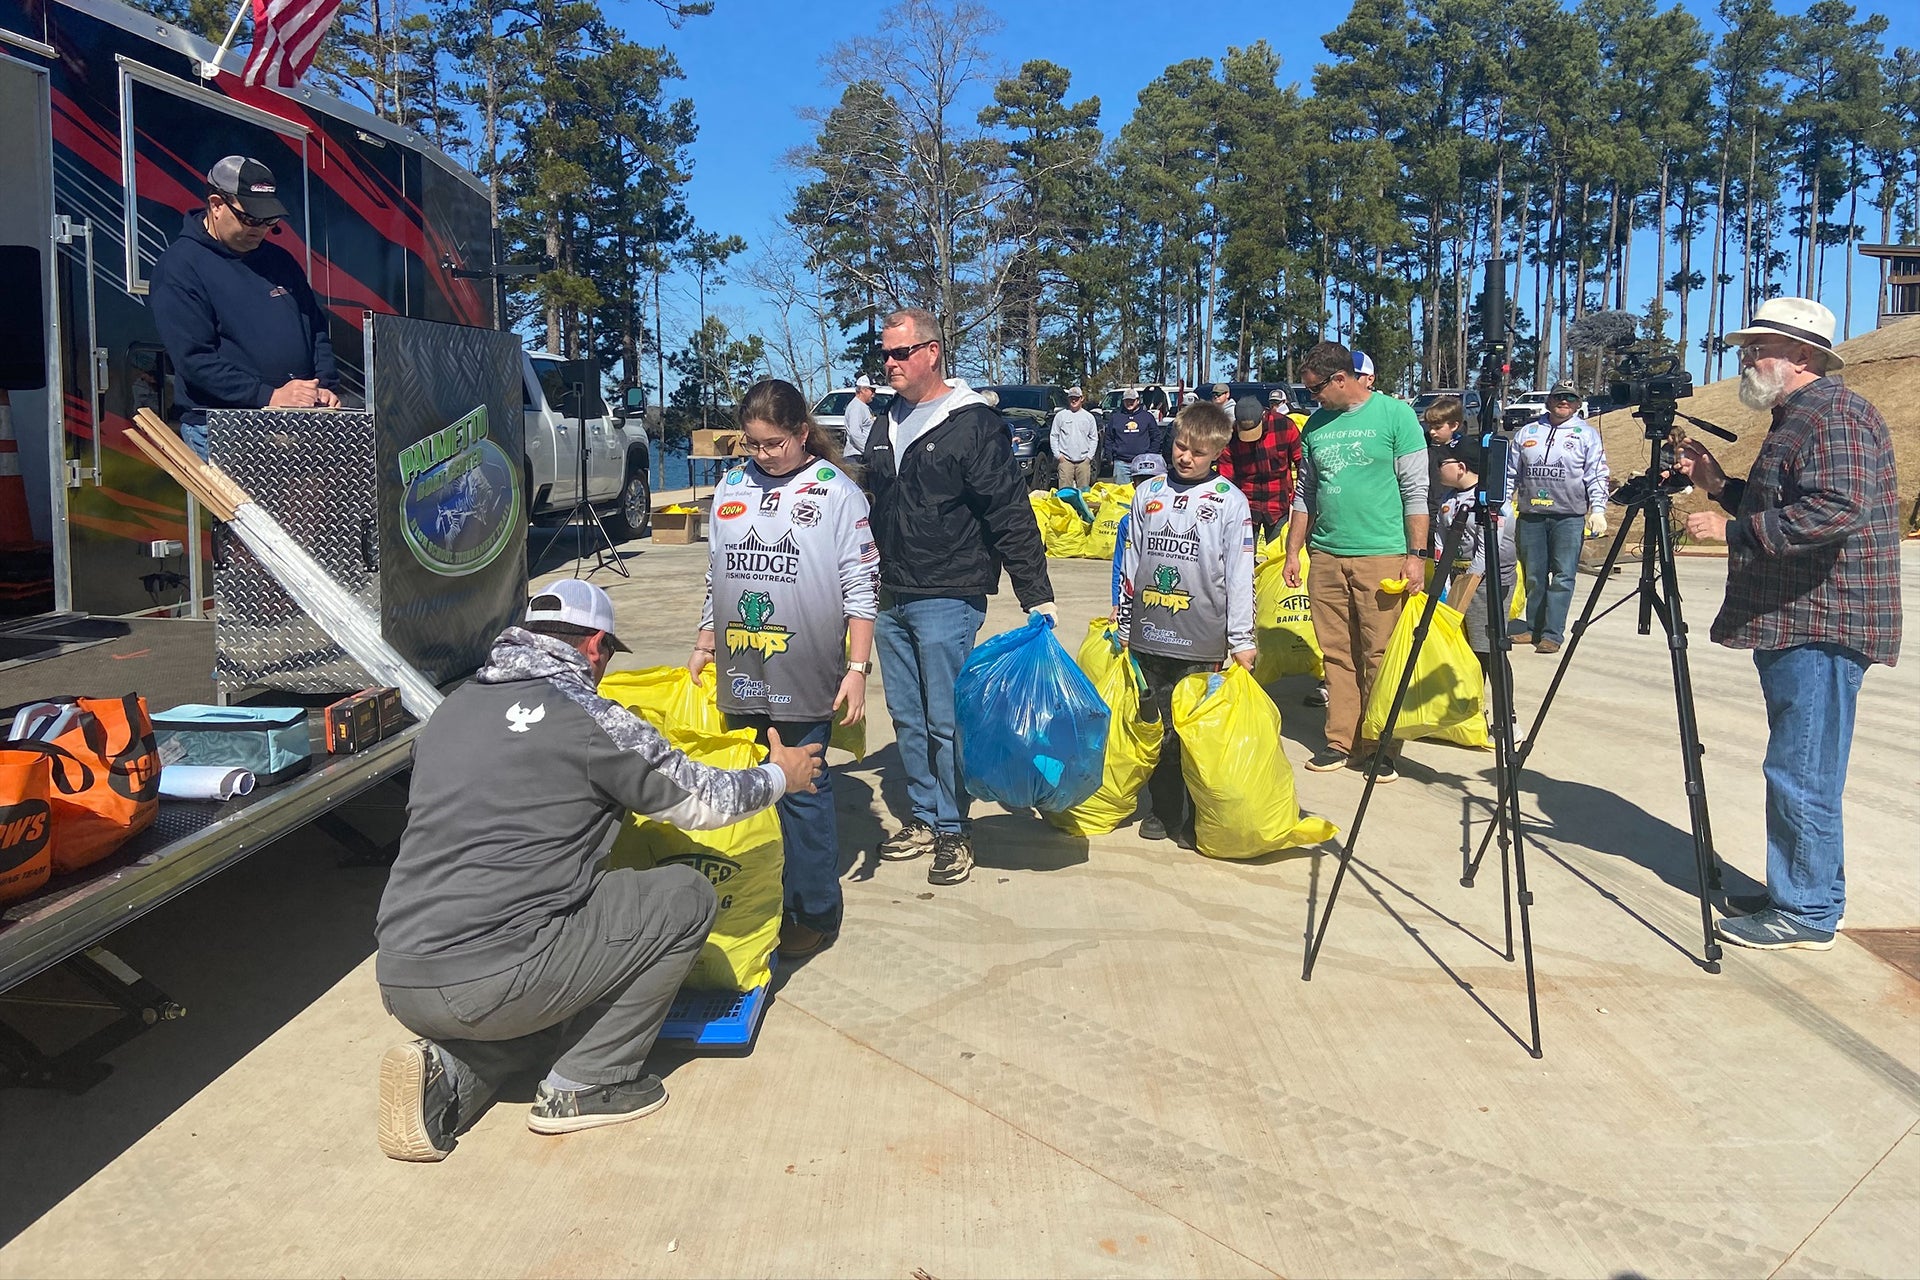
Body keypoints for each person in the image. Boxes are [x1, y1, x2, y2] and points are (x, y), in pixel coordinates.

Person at [374, 579, 826, 1160]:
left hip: (402, 973)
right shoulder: (589, 716)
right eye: (609, 654)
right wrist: (780, 776)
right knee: (683, 897)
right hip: (497, 973)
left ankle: (447, 1075)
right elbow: (702, 800)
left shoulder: (450, 711)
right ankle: (589, 1082)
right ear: (594, 646)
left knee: (542, 1003)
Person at [1677, 297, 1901, 953]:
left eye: (1760, 348)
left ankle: (1805, 912)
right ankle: (1802, 893)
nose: (1747, 358)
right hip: (1800, 618)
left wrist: (1733, 529)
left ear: (1803, 357)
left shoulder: (1837, 414)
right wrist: (1720, 487)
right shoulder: (1801, 416)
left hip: (1823, 623)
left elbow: (1839, 509)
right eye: (1748, 347)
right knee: (1802, 767)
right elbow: (1797, 503)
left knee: (1802, 771)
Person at [862, 307, 1056, 885]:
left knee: (947, 719)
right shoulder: (884, 421)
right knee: (906, 715)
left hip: (949, 591)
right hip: (890, 591)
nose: (890, 364)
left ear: (932, 351)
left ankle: (954, 828)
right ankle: (923, 816)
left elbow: (1008, 510)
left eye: (901, 353)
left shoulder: (971, 422)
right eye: (885, 353)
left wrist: (1035, 593)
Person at [688, 379, 875, 961]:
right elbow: (718, 572)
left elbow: (862, 585)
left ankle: (815, 911)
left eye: (773, 443)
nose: (761, 454)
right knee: (747, 785)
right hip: (741, 668)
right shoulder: (731, 487)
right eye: (752, 444)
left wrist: (858, 668)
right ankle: (758, 896)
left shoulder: (836, 492)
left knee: (804, 790)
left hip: (807, 669)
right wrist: (704, 640)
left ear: (801, 434)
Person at [1283, 340, 1429, 780]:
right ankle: (1340, 739)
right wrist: (1294, 550)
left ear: (1340, 379)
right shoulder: (1315, 427)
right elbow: (1305, 494)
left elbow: (1416, 490)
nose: (1312, 398)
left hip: (1382, 556)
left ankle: (1380, 744)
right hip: (1326, 556)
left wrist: (1416, 555)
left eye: (1316, 389)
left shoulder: (1395, 416)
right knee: (1336, 654)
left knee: (1379, 654)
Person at [1115, 401, 1256, 847]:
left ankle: (1196, 817)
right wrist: (1124, 622)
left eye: (1197, 452)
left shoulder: (1230, 502)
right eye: (1180, 446)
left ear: (1216, 452)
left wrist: (1242, 640)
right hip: (1150, 634)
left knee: (1195, 735)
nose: (1185, 457)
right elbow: (1131, 562)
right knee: (1155, 725)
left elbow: (1239, 574)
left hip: (1203, 641)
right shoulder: (1147, 493)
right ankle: (1162, 808)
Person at [148, 156, 340, 458]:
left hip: (294, 420)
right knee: (250, 510)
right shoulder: (181, 266)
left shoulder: (280, 261)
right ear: (216, 204)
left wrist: (323, 385)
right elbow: (195, 359)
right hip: (224, 428)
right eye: (250, 218)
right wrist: (270, 396)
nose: (260, 230)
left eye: (269, 221)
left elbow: (315, 329)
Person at [1506, 381, 1609, 653]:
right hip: (1531, 515)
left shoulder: (1586, 435)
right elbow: (1510, 472)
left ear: (1577, 404)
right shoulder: (1528, 432)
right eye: (1559, 397)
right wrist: (1504, 504)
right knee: (1534, 576)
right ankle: (1533, 628)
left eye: (1570, 398)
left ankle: (1552, 634)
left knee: (1563, 576)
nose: (1564, 402)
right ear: (1548, 401)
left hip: (1569, 517)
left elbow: (1596, 473)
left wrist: (1598, 509)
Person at [1424, 398, 1516, 678]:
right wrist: (1444, 577)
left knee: (1487, 647)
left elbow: (1489, 547)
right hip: (1458, 576)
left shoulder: (1489, 502)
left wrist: (1470, 579)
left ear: (1462, 467)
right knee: (1461, 648)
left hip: (1489, 581)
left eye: (1444, 464)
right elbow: (1441, 538)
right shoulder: (1449, 499)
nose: (1438, 468)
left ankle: (1506, 712)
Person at [1218, 393, 1301, 548]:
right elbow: (1225, 479)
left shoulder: (1285, 426)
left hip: (1279, 505)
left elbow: (1303, 465)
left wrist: (1297, 502)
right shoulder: (1230, 437)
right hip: (1245, 508)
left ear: (1263, 416)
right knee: (1243, 559)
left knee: (1278, 559)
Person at [1109, 452, 1168, 614]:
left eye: (1153, 480)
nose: (1148, 486)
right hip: (1138, 593)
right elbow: (1120, 563)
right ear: (1134, 484)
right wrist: (1117, 603)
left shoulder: (1179, 515)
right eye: (1141, 481)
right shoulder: (1127, 521)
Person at [1104, 388, 1163, 479]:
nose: (1129, 403)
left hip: (1143, 464)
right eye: (1127, 400)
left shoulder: (1147, 417)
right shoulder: (1115, 417)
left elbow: (1156, 437)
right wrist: (1110, 457)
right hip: (1121, 464)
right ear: (1123, 401)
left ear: (1138, 400)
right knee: (1122, 492)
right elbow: (1109, 439)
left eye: (1132, 400)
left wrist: (1150, 454)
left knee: (1142, 491)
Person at [1050, 385, 1100, 491]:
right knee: (1065, 494)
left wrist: (1089, 457)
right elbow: (1054, 436)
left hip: (1083, 462)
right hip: (1065, 461)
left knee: (1084, 494)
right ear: (1068, 399)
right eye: (1071, 398)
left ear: (1082, 399)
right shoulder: (1060, 416)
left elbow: (1094, 438)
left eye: (1076, 398)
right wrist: (1058, 456)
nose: (1074, 400)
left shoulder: (1089, 417)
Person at [842, 374, 878, 461]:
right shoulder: (856, 407)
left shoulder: (863, 406)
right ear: (863, 390)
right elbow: (855, 433)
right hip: (856, 457)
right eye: (872, 390)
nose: (874, 394)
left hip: (861, 455)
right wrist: (867, 451)